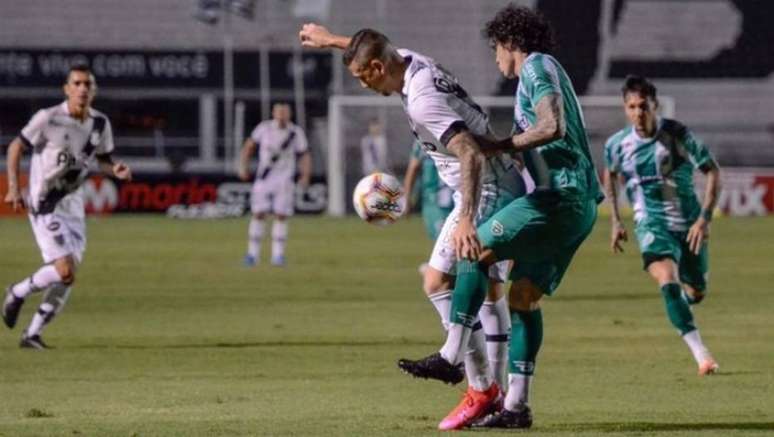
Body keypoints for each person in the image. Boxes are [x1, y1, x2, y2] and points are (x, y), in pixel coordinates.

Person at [299, 24, 525, 429]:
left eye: (360, 77)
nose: (362, 85)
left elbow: (470, 154)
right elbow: (376, 46)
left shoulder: (422, 100)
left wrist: (467, 220)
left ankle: (476, 383)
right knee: (489, 290)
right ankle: (494, 394)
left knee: (438, 280)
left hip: (487, 183)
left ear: (374, 68)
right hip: (497, 179)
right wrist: (331, 40)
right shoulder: (410, 61)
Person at [398, 5, 605, 429]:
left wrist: (497, 146)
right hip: (580, 205)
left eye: (496, 48)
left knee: (472, 249)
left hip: (559, 198)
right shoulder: (543, 71)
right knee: (523, 298)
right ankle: (516, 407)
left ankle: (451, 353)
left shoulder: (536, 67)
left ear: (511, 42)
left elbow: (552, 126)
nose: (495, 57)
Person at [2, 64, 132, 349]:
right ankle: (17, 292)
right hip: (45, 202)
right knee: (64, 270)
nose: (83, 89)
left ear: (94, 90)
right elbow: (15, 147)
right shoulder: (47, 118)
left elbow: (103, 160)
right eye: (77, 83)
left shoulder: (100, 123)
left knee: (68, 276)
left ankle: (32, 334)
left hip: (74, 204)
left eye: (88, 84)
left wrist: (115, 169)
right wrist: (13, 187)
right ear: (67, 89)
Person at [604, 75, 721, 376]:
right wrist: (616, 220)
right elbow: (611, 175)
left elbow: (712, 172)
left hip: (689, 224)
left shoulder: (677, 135)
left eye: (643, 106)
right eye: (631, 107)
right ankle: (702, 355)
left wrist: (704, 220)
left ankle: (686, 300)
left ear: (655, 105)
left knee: (696, 291)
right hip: (651, 223)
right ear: (625, 108)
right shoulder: (617, 145)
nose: (637, 113)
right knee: (667, 279)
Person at [402, 140, 512, 391]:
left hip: (487, 197)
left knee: (486, 288)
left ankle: (480, 379)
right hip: (457, 199)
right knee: (445, 280)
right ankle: (484, 384)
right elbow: (415, 166)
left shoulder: (438, 111)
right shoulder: (424, 129)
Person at [239, 103, 312, 267]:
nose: (282, 115)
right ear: (273, 113)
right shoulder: (264, 129)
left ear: (290, 114)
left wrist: (305, 175)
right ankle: (252, 254)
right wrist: (243, 166)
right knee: (258, 213)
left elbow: (304, 154)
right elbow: (249, 146)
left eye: (285, 112)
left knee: (281, 215)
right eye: (279, 111)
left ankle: (278, 256)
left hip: (285, 179)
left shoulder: (295, 132)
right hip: (264, 177)